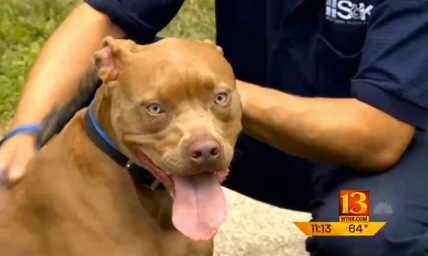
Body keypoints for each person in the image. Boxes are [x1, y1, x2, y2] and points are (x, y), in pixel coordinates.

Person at [1, 0, 428, 255]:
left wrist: (200, 86)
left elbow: (381, 136)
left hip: (377, 152)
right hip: (243, 137)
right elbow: (102, 14)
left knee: (371, 232)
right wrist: (25, 132)